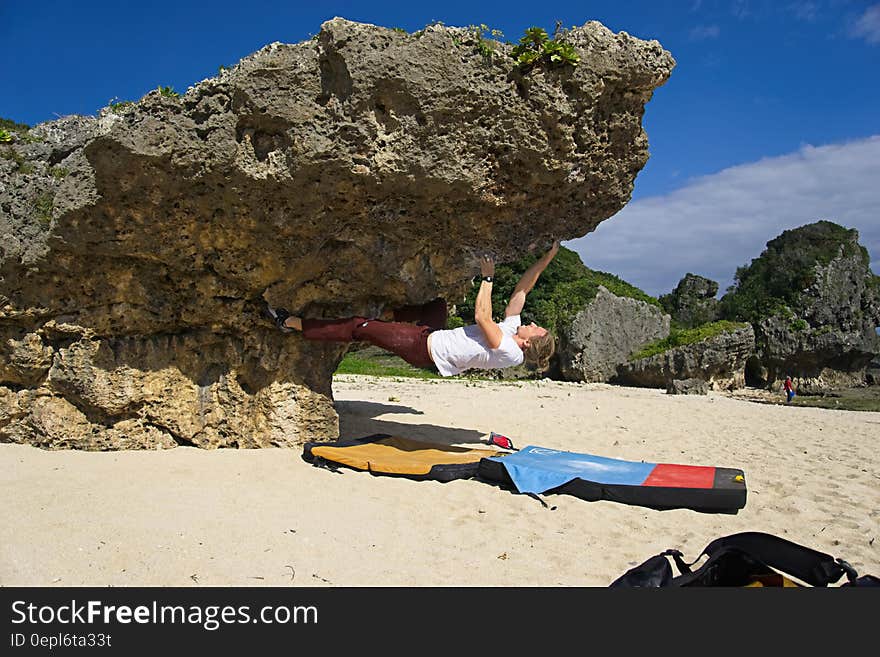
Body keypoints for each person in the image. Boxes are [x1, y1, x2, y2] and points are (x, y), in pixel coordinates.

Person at [267, 242, 560, 376]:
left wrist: (488, 277)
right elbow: (522, 290)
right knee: (437, 304)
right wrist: (548, 258)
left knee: (359, 327)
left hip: (423, 349)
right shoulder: (512, 330)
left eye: (536, 329)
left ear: (529, 341)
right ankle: (386, 320)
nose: (532, 322)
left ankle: (290, 323)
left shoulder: (510, 353)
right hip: (432, 334)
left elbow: (482, 317)